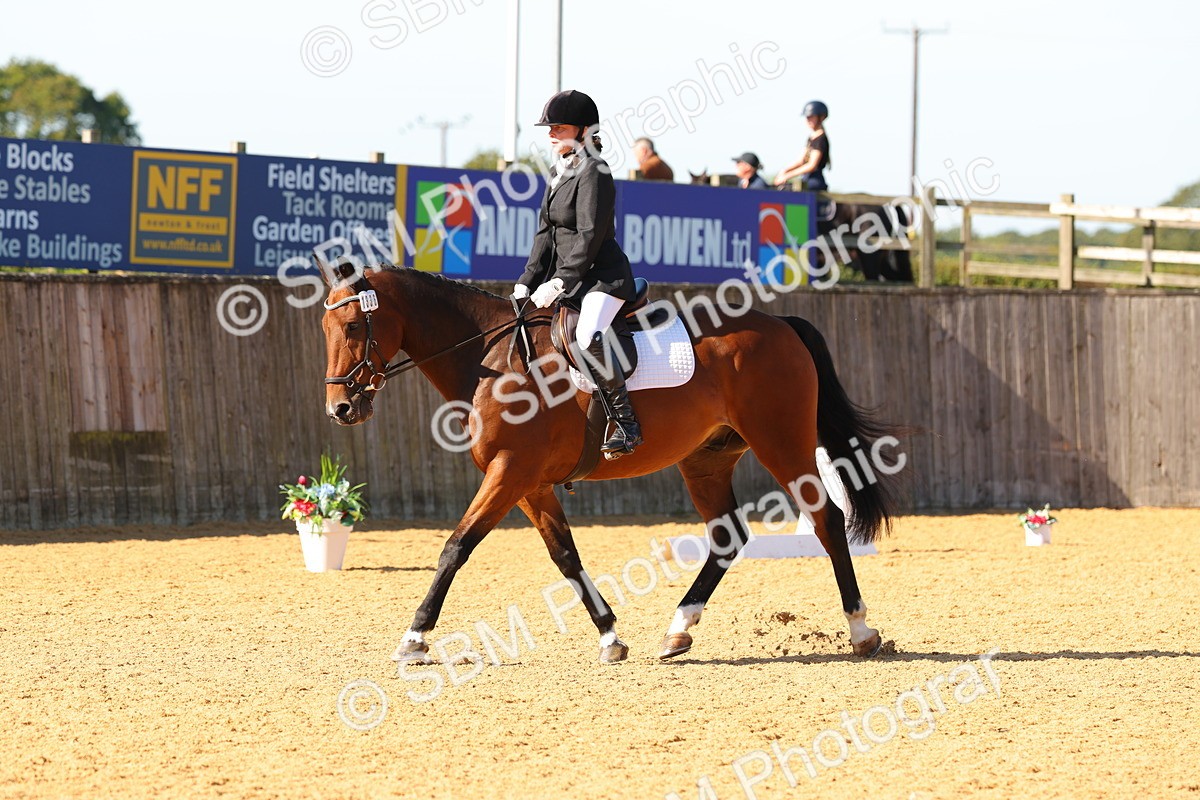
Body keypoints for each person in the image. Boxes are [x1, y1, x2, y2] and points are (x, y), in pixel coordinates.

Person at [512, 89, 643, 458]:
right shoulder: (558, 172)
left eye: (560, 127)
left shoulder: (595, 171)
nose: (551, 133)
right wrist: (527, 280)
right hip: (575, 280)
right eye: (549, 127)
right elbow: (545, 234)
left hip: (604, 278)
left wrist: (559, 281)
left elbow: (589, 234)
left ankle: (627, 425)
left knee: (586, 336)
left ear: (585, 130)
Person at [774, 100, 831, 190]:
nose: (808, 120)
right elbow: (800, 161)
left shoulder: (820, 139)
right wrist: (784, 171)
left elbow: (812, 165)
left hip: (815, 180)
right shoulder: (811, 137)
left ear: (821, 117)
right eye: (807, 117)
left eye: (811, 117)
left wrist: (788, 176)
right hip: (806, 177)